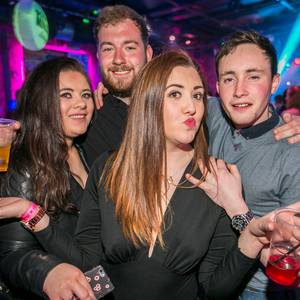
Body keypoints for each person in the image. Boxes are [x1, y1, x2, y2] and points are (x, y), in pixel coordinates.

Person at [0, 50, 286, 300]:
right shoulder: (108, 169)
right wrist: (31, 213)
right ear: (149, 102)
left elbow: (213, 288)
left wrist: (250, 240)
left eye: (197, 95)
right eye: (175, 93)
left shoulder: (217, 178)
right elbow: (90, 263)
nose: (192, 106)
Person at [187, 30, 300, 300]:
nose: (239, 91)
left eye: (253, 76)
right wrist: (107, 94)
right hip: (200, 275)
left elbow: (288, 263)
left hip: (255, 291)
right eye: (229, 78)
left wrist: (235, 205)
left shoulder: (293, 154)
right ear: (217, 85)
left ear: (274, 83)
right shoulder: (211, 113)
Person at [0, 57, 95, 299]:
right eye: (66, 95)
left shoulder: (89, 152)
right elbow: (11, 254)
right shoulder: (25, 163)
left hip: (93, 285)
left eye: (86, 95)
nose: (81, 104)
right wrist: (47, 272)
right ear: (43, 101)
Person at [79, 4, 153, 166]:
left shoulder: (171, 109)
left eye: (129, 48)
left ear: (148, 54)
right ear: (98, 55)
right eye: (108, 49)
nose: (118, 59)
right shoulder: (86, 117)